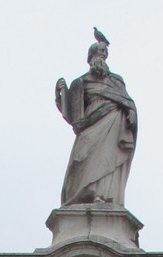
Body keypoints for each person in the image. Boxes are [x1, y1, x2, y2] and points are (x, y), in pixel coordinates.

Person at [55, 28, 137, 207]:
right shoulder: (81, 82)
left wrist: (131, 112)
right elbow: (73, 114)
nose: (101, 57)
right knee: (81, 158)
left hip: (113, 122)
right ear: (90, 58)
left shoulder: (116, 81)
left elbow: (127, 101)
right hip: (90, 125)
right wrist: (61, 94)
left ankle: (102, 194)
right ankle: (79, 197)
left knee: (107, 159)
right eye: (98, 53)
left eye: (104, 53)